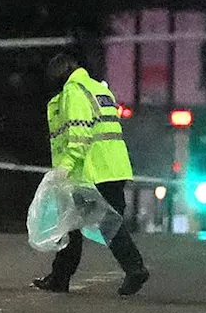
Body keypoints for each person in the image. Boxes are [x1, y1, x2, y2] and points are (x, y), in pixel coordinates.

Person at [33, 53, 150, 296]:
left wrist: (66, 166)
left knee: (86, 223)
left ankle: (133, 269)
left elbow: (79, 135)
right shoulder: (99, 89)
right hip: (114, 167)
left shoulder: (74, 93)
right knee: (84, 222)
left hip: (90, 170)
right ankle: (61, 276)